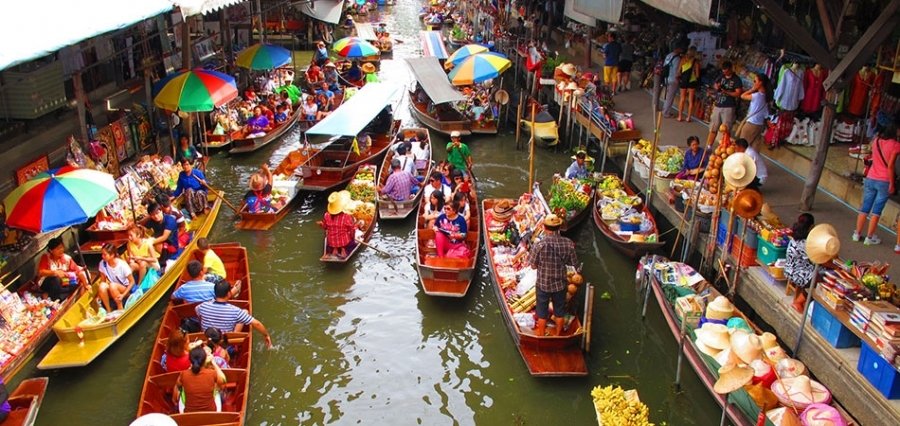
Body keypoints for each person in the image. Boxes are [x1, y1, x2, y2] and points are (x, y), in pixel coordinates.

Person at [529, 214, 578, 337]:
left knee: (541, 312)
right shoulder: (568, 243)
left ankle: (541, 335)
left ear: (545, 228)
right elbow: (573, 263)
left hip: (543, 284)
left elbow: (533, 265)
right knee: (559, 312)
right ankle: (557, 335)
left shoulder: (539, 245)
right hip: (560, 284)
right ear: (559, 227)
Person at [854, 124, 900, 245]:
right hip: (884, 180)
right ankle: (869, 237)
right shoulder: (896, 146)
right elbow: (890, 167)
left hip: (871, 177)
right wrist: (892, 184)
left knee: (865, 207)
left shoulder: (876, 141)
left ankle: (857, 233)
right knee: (877, 211)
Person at [195, 281, 273, 347]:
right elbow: (257, 324)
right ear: (229, 293)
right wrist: (266, 335)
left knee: (243, 313)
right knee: (245, 312)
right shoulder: (235, 311)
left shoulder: (203, 306)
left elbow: (197, 312)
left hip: (206, 340)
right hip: (225, 344)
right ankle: (234, 340)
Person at [173, 346, 227, 413]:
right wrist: (214, 363)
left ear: (190, 360)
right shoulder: (212, 373)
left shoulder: (183, 374)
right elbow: (223, 382)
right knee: (218, 389)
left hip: (188, 414)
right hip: (212, 413)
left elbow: (178, 386)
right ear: (204, 360)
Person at [37, 237, 88, 301]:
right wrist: (55, 272)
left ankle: (54, 296)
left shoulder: (67, 258)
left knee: (74, 283)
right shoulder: (46, 257)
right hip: (47, 283)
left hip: (61, 283)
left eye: (62, 247)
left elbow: (77, 271)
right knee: (56, 279)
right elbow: (40, 272)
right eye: (58, 249)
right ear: (51, 250)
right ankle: (54, 296)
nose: (61, 250)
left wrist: (85, 284)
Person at [706, 61, 744, 147]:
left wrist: (727, 92)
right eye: (723, 71)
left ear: (731, 69)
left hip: (728, 107)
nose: (725, 73)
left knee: (726, 130)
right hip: (718, 104)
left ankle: (724, 147)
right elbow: (715, 84)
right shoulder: (721, 76)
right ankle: (709, 146)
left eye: (726, 71)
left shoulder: (736, 79)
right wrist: (717, 87)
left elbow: (738, 93)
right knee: (713, 128)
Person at [785, 213, 816, 313]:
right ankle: (798, 301)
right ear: (811, 227)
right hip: (796, 272)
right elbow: (815, 259)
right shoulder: (804, 243)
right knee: (818, 281)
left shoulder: (796, 235)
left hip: (791, 268)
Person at [318, 191, 359, 259]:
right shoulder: (346, 217)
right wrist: (353, 238)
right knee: (350, 237)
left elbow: (325, 227)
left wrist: (322, 224)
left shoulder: (326, 215)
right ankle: (343, 249)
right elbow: (351, 230)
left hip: (331, 242)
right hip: (344, 242)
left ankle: (335, 249)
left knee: (333, 234)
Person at [97, 243, 135, 312]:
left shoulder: (122, 265)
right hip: (113, 289)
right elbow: (103, 281)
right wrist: (99, 296)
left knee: (112, 285)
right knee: (102, 286)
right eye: (102, 254)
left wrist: (123, 295)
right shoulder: (102, 264)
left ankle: (120, 308)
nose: (102, 256)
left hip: (125, 290)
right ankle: (108, 310)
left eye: (105, 255)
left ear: (112, 255)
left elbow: (132, 282)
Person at [737, 72, 771, 147]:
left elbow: (742, 96)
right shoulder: (766, 96)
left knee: (742, 146)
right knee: (753, 147)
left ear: (760, 83)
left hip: (751, 124)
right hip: (759, 125)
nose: (754, 83)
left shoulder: (757, 96)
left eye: (755, 81)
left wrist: (753, 89)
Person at [676, 47, 701, 122]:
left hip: (684, 81)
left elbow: (678, 72)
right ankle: (688, 118)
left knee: (682, 99)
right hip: (692, 82)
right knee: (690, 100)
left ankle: (680, 117)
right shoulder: (696, 62)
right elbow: (697, 75)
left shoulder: (683, 60)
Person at [661, 45, 684, 118]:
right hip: (673, 79)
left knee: (668, 96)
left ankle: (665, 110)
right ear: (677, 49)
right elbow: (676, 71)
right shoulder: (677, 58)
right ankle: (666, 112)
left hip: (667, 78)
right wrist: (678, 78)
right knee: (670, 97)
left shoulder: (669, 55)